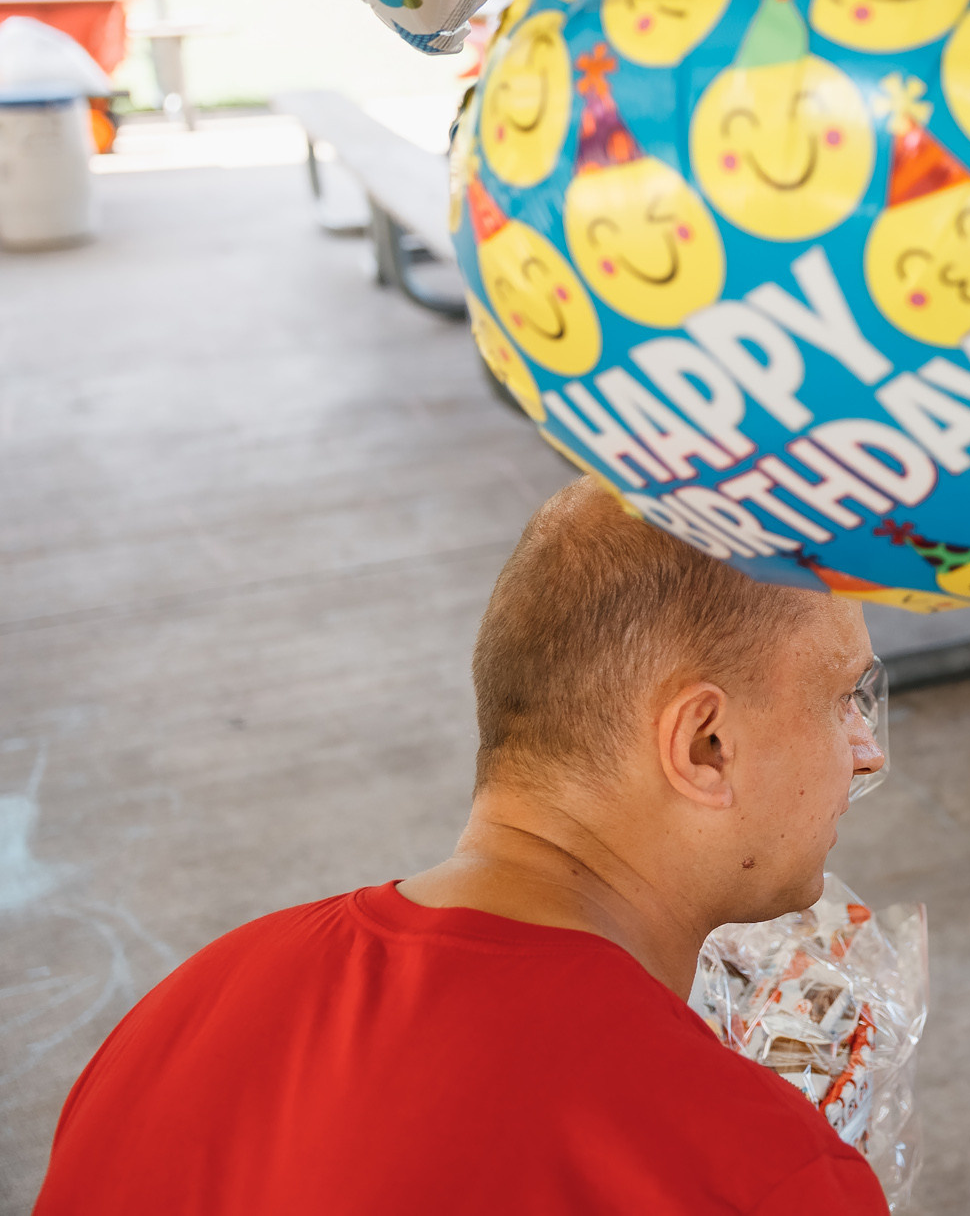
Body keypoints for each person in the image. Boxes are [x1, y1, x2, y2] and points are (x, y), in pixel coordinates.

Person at [35, 479, 892, 1213]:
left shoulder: (186, 1010)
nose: (868, 748)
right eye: (842, 697)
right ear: (705, 745)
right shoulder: (757, 1169)